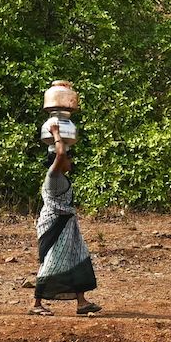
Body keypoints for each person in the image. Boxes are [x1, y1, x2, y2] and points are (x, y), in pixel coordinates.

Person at [30, 121, 101, 316]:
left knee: (76, 256)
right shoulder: (53, 176)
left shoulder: (60, 177)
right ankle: (37, 303)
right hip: (55, 225)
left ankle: (81, 302)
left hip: (66, 224)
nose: (71, 162)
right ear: (60, 160)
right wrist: (56, 133)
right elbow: (60, 154)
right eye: (69, 159)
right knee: (52, 261)